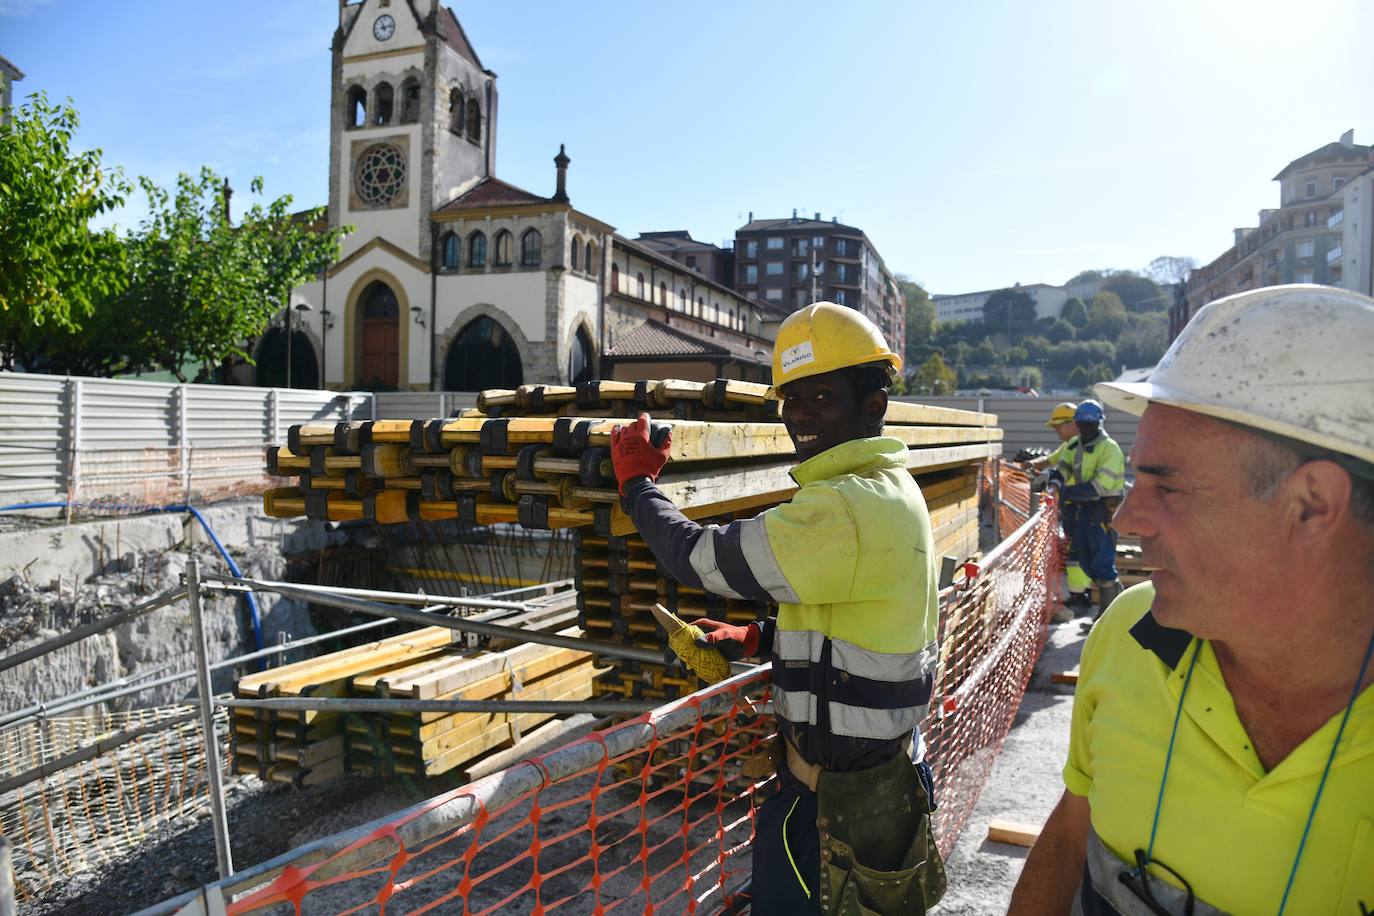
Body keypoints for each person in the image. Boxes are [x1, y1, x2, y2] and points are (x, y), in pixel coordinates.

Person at [1008, 285, 1374, 915]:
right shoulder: (1130, 630)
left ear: (1312, 504)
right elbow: (1071, 838)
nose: (1129, 517)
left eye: (1167, 487)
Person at [610, 302, 945, 915]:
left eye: (821, 395)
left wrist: (637, 486)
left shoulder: (843, 507)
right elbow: (849, 619)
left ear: (873, 403)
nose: (800, 415)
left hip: (832, 808)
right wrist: (756, 638)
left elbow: (703, 559)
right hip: (881, 785)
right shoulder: (892, 489)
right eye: (791, 398)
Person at [1051, 399, 1126, 626]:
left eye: (1092, 425)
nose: (1088, 429)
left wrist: (1064, 492)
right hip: (1085, 509)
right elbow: (1062, 467)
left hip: (1105, 510)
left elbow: (1099, 488)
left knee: (1103, 563)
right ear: (1077, 424)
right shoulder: (1074, 446)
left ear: (1099, 424)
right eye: (1083, 424)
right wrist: (1054, 484)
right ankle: (1115, 607)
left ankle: (1108, 620)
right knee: (1085, 561)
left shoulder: (1109, 449)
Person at [1026, 402, 1094, 610]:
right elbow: (1050, 460)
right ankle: (1080, 594)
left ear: (1073, 423)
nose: (1056, 430)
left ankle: (1081, 596)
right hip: (1074, 505)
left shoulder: (1079, 446)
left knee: (1079, 551)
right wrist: (1030, 465)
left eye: (1059, 426)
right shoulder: (1070, 446)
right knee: (1076, 549)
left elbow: (1056, 465)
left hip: (1083, 505)